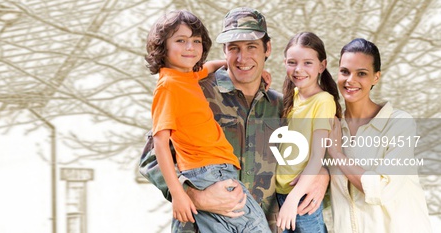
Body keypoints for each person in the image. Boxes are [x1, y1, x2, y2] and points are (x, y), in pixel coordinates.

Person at [141, 7, 331, 232]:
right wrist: (191, 194)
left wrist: (324, 175)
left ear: (267, 49)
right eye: (234, 48)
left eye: (252, 47)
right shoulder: (194, 91)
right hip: (201, 225)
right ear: (224, 51)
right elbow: (150, 157)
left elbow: (314, 155)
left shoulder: (283, 108)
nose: (242, 58)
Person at [146, 10, 269, 232]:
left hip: (219, 173)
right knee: (254, 227)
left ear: (267, 50)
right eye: (181, 41)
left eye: (196, 41)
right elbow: (156, 148)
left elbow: (208, 66)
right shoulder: (172, 87)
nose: (190, 47)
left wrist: (236, 66)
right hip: (209, 173)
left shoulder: (188, 77)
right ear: (162, 47)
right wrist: (183, 194)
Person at [326, 38, 431, 232]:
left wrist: (337, 154)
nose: (351, 80)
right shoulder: (332, 127)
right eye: (345, 71)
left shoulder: (399, 124)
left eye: (362, 73)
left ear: (376, 77)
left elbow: (380, 189)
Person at [275, 32, 341, 232]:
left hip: (302, 195)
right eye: (292, 62)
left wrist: (293, 199)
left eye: (308, 63)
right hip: (281, 191)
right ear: (285, 62)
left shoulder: (323, 101)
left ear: (322, 65)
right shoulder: (291, 96)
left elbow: (316, 157)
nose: (298, 70)